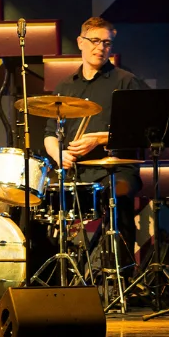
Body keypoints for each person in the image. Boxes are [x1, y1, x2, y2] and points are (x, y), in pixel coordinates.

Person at [42, 16, 145, 251]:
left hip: (117, 169)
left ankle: (119, 274)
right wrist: (58, 154)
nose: (101, 48)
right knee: (38, 199)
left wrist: (98, 139)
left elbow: (141, 131)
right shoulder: (65, 87)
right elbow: (49, 133)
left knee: (117, 195)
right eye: (95, 41)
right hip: (76, 171)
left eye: (107, 43)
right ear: (80, 42)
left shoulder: (127, 82)